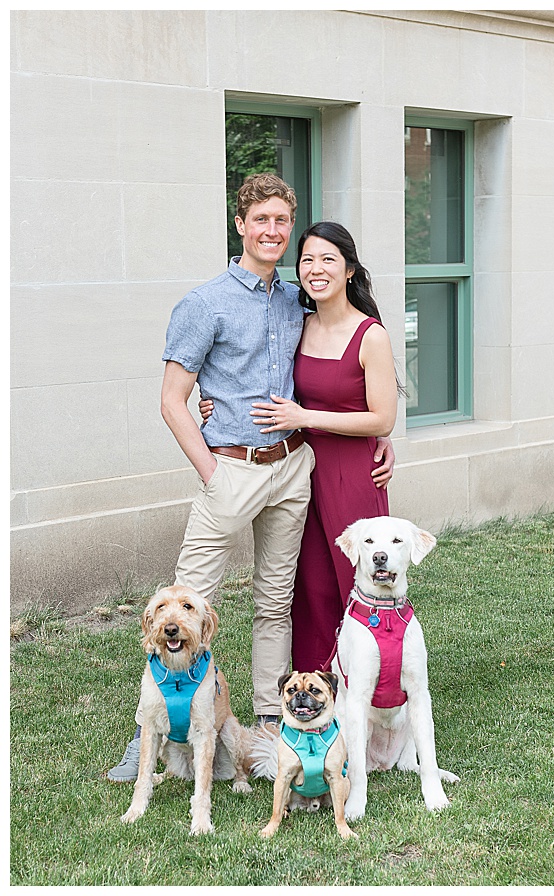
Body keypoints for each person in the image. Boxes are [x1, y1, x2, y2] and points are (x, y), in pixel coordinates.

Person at [107, 174, 394, 782]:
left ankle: (269, 728)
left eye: (281, 222)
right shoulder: (204, 302)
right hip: (231, 471)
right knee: (183, 607)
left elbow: (355, 366)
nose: (272, 231)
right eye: (260, 219)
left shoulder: (297, 298)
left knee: (274, 604)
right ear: (240, 224)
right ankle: (149, 734)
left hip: (293, 467)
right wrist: (212, 471)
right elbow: (172, 400)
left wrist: (382, 435)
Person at [248, 221, 399, 673]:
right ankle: (315, 690)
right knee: (309, 587)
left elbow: (383, 417)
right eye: (307, 259)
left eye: (328, 259)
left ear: (349, 270)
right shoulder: (299, 323)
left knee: (354, 581)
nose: (316, 269)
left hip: (352, 473)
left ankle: (372, 686)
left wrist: (307, 418)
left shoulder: (370, 334)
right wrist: (214, 402)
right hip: (300, 472)